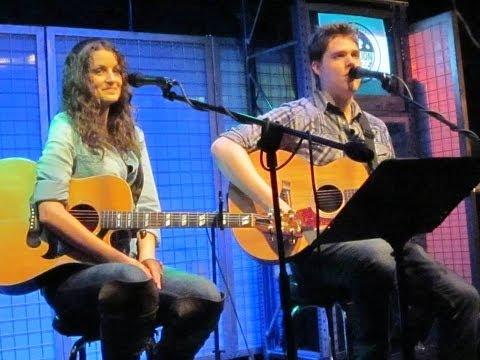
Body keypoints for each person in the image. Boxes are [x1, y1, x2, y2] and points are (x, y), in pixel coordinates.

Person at [211, 23, 479, 359]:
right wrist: (273, 202)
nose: (351, 62)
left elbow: (388, 197)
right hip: (318, 246)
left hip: (382, 243)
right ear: (316, 67)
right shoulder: (299, 115)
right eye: (339, 55)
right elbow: (225, 146)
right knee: (378, 260)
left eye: (355, 54)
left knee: (463, 300)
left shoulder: (375, 128)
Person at [33, 38, 224, 360]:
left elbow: (147, 207)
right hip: (72, 273)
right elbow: (50, 211)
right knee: (132, 280)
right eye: (99, 71)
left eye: (116, 71)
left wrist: (147, 255)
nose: (112, 78)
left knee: (205, 298)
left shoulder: (134, 135)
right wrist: (122, 261)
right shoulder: (65, 126)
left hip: (131, 267)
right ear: (81, 80)